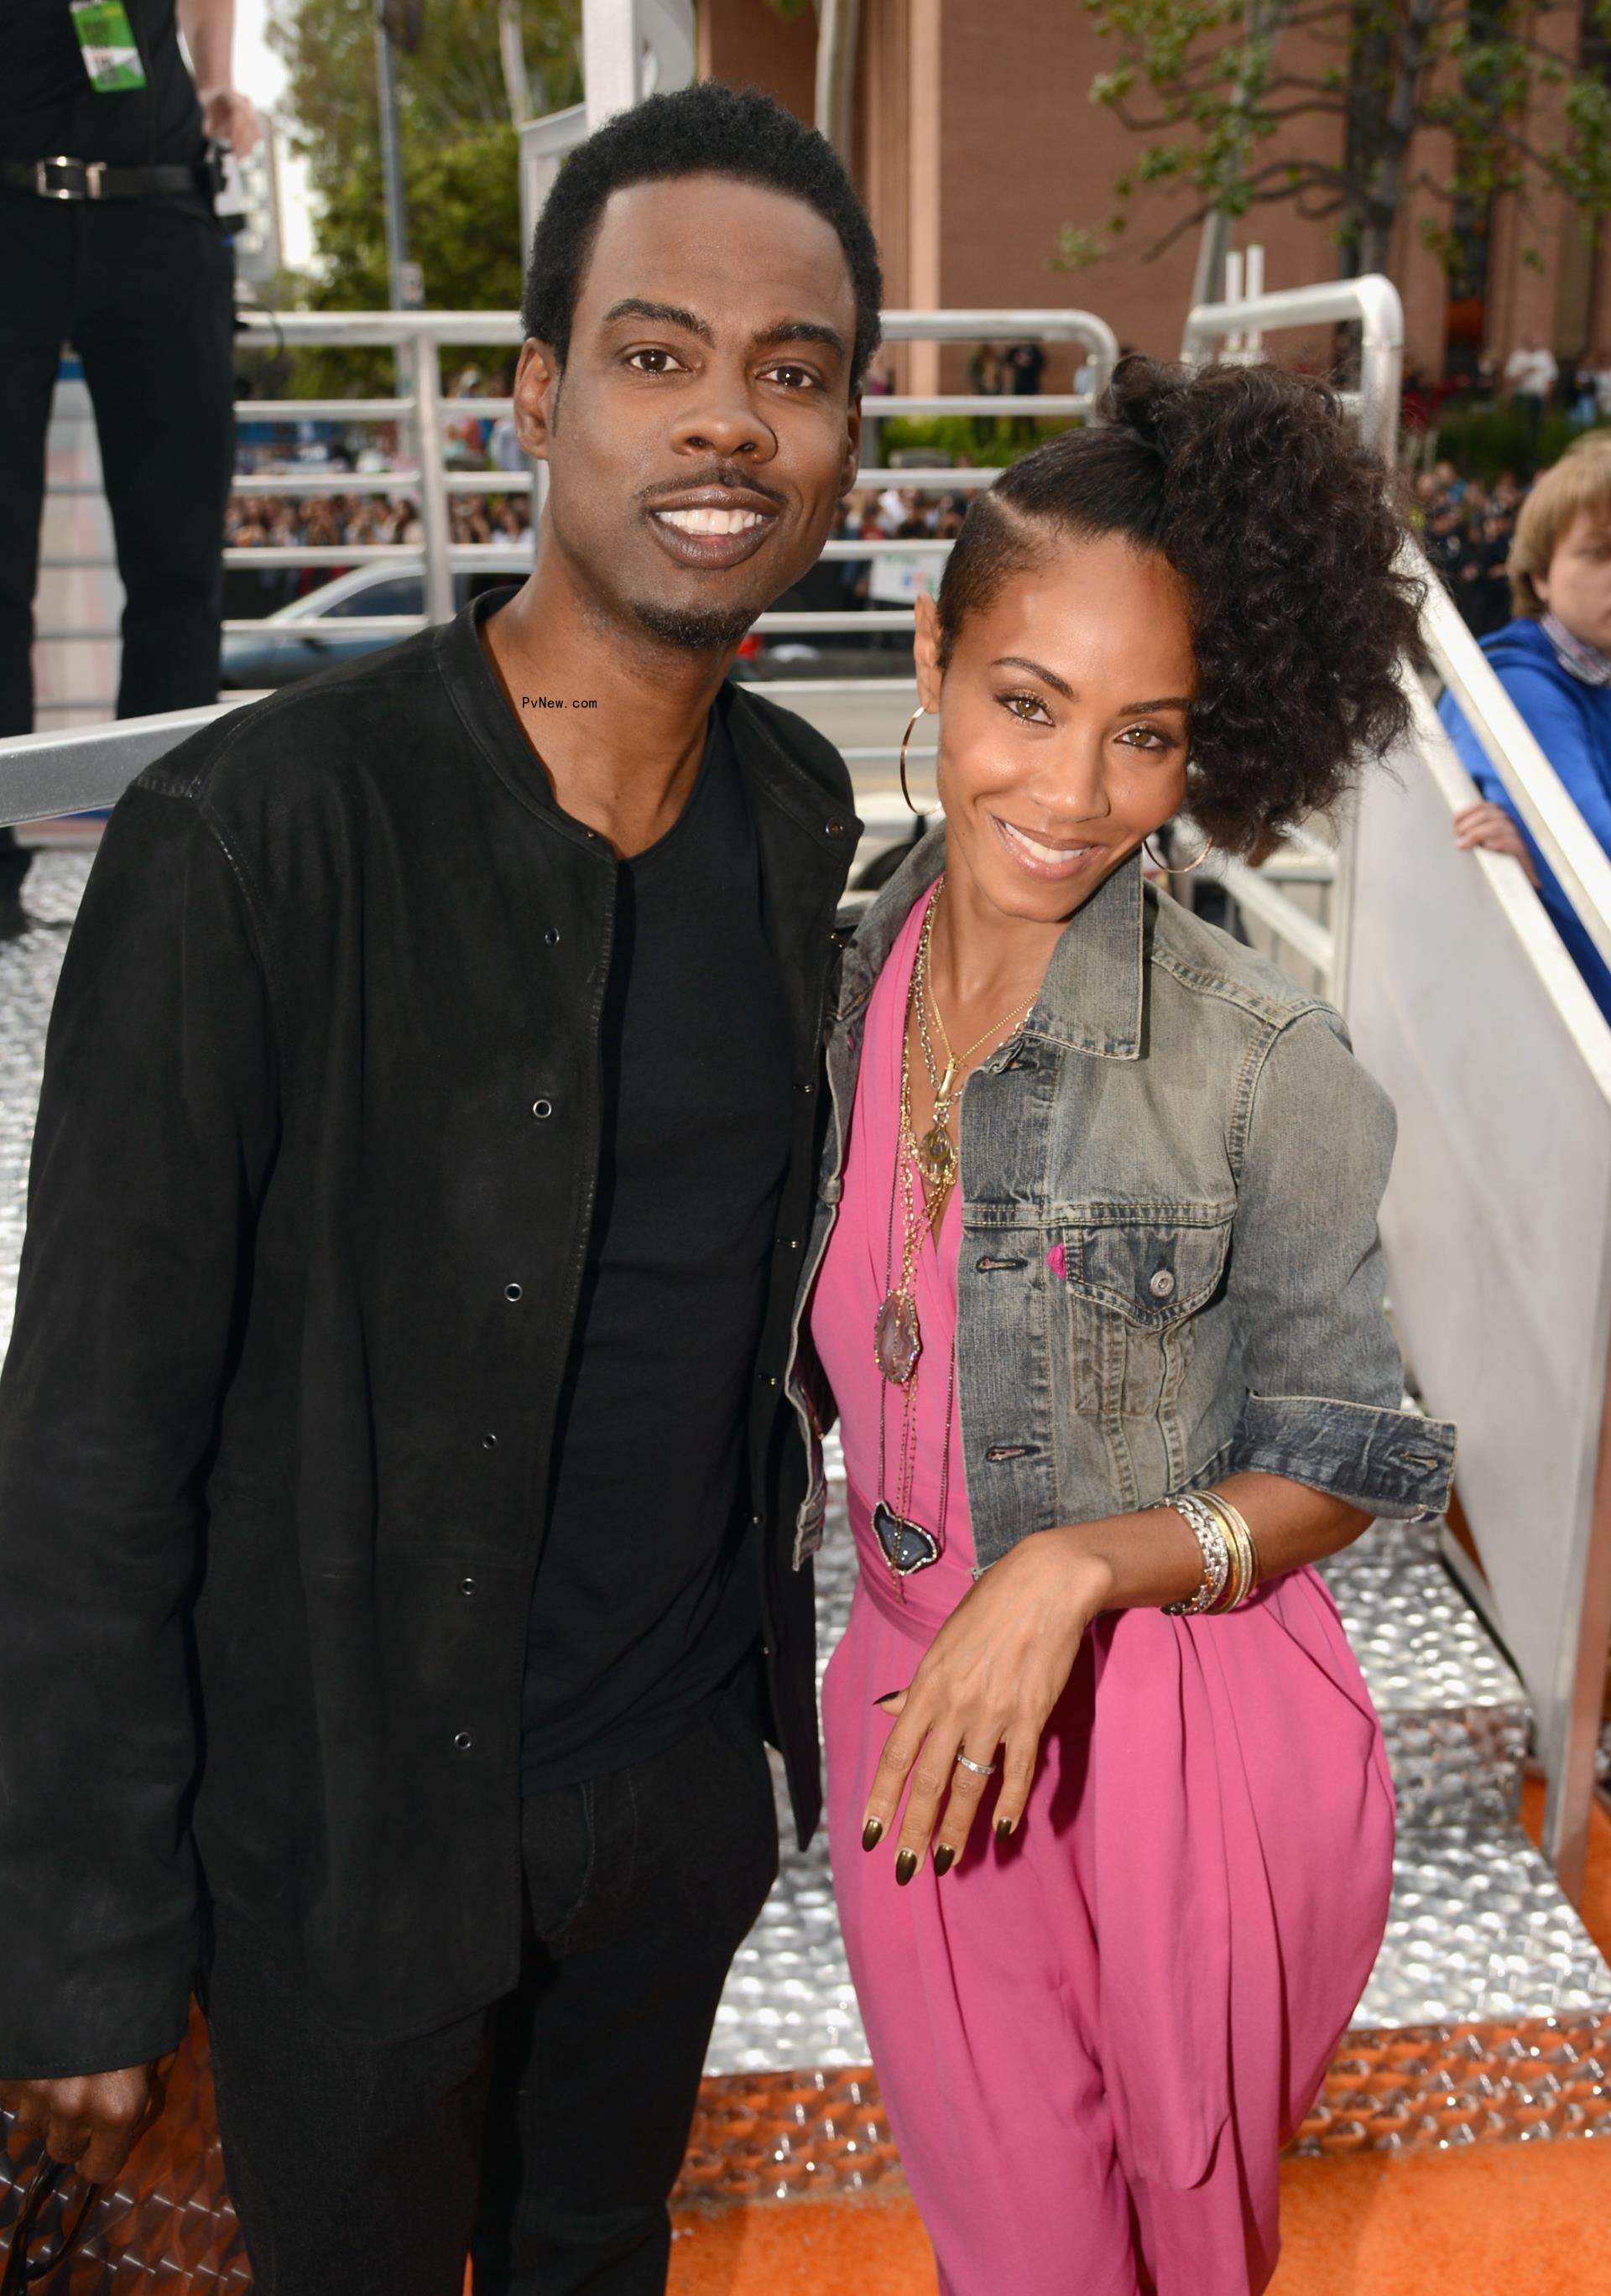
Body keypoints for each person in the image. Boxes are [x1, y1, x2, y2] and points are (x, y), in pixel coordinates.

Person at [0, 81, 879, 2296]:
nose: (729, 430)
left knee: (600, 2254)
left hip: (671, 1794)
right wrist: (85, 1928)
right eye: (659, 355)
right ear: (532, 400)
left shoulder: (794, 821)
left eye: (795, 374)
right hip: (350, 1827)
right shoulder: (254, 840)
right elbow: (92, 1425)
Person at [787, 357, 1457, 2294]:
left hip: (1194, 1736)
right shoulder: (826, 985)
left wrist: (1079, 1565)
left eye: (1145, 735)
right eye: (1026, 705)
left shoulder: (1261, 1062)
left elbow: (1346, 1449)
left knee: (1183, 2260)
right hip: (915, 1722)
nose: (1075, 794)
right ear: (929, 658)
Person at [0, 0, 257, 939]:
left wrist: (218, 78)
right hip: (8, 209)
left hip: (158, 205)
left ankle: (165, 860)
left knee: (179, 564)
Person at [1443, 441, 1611, 1020]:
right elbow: (1591, 847)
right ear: (1540, 575)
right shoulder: (1519, 684)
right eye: (1600, 552)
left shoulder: (1599, 673)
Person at [1504, 332, 1558, 431]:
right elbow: (1509, 378)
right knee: (1519, 423)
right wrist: (1526, 372)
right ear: (1526, 342)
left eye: (1537, 342)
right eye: (1532, 341)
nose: (1535, 344)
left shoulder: (1545, 356)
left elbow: (1552, 377)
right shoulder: (1517, 356)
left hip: (1538, 396)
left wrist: (1548, 395)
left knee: (1537, 425)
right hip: (1521, 395)